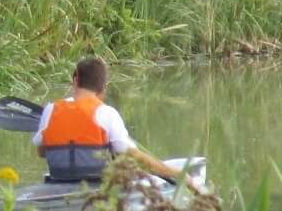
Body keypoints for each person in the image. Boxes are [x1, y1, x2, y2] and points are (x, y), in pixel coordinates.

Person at [33, 56, 178, 184]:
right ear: (103, 88)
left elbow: (42, 152)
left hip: (56, 183)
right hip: (97, 188)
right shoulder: (107, 113)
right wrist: (178, 174)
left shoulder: (51, 110)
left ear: (75, 80)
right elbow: (135, 158)